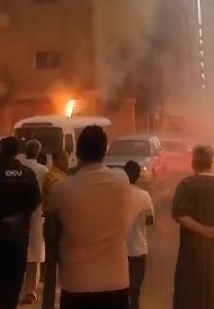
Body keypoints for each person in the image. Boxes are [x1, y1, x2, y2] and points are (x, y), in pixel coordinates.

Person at [51, 125, 131, 309]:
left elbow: (54, 229)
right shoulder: (121, 179)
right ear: (105, 151)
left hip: (75, 282)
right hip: (115, 282)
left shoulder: (61, 188)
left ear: (78, 153)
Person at [172, 145, 214, 309]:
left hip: (193, 255)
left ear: (193, 163)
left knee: (191, 296)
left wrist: (203, 231)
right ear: (211, 162)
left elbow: (179, 214)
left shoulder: (186, 186)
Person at [0, 136, 41, 309]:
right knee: (16, 274)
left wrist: (3, 218)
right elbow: (35, 200)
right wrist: (20, 217)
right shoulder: (27, 173)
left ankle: (3, 303)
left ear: (1, 150)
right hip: (19, 233)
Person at [19, 140, 50, 305]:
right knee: (35, 254)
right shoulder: (43, 170)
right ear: (38, 152)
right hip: (37, 215)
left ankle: (16, 288)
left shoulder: (18, 168)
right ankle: (30, 291)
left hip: (18, 215)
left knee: (19, 252)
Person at [41, 150, 70, 309]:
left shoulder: (62, 177)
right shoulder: (51, 177)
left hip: (62, 223)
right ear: (55, 160)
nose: (66, 161)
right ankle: (48, 304)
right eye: (63, 158)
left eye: (67, 158)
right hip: (53, 223)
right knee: (52, 268)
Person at [124, 160, 154, 309]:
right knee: (135, 291)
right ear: (138, 176)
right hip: (138, 249)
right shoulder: (145, 196)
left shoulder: (115, 194)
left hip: (118, 250)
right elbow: (150, 220)